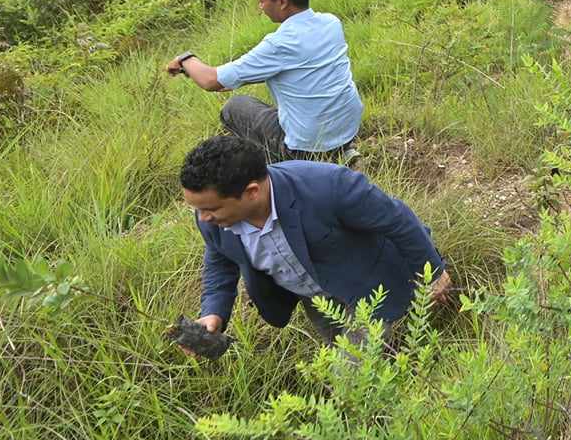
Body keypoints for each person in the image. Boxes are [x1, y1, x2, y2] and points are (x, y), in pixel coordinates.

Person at [177, 135, 449, 353]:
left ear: (251, 192)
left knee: (350, 378)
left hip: (368, 283)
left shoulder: (328, 186)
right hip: (314, 297)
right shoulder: (213, 220)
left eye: (210, 209)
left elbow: (396, 219)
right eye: (198, 210)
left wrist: (433, 271)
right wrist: (213, 313)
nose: (203, 218)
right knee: (341, 349)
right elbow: (220, 262)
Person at [166, 0, 363, 163]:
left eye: (261, 1)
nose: (260, 7)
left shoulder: (280, 43)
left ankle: (276, 171)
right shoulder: (331, 22)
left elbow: (211, 81)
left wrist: (185, 59)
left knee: (234, 108)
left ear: (282, 2)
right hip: (348, 128)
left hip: (306, 147)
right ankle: (342, 152)